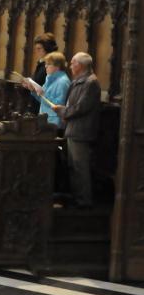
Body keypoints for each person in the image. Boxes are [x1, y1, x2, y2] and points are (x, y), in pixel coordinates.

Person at [53, 52, 101, 208]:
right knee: (73, 166)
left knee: (80, 167)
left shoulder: (91, 83)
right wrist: (65, 111)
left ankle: (84, 201)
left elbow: (82, 107)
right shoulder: (79, 81)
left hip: (81, 132)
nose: (70, 65)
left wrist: (63, 111)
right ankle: (76, 198)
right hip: (73, 129)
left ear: (80, 65)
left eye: (72, 62)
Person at [23, 51, 70, 129]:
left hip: (55, 124)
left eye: (48, 64)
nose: (45, 66)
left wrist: (43, 93)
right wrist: (33, 90)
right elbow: (43, 100)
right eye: (45, 64)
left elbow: (58, 105)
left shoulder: (63, 82)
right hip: (45, 120)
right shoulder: (50, 79)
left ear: (57, 66)